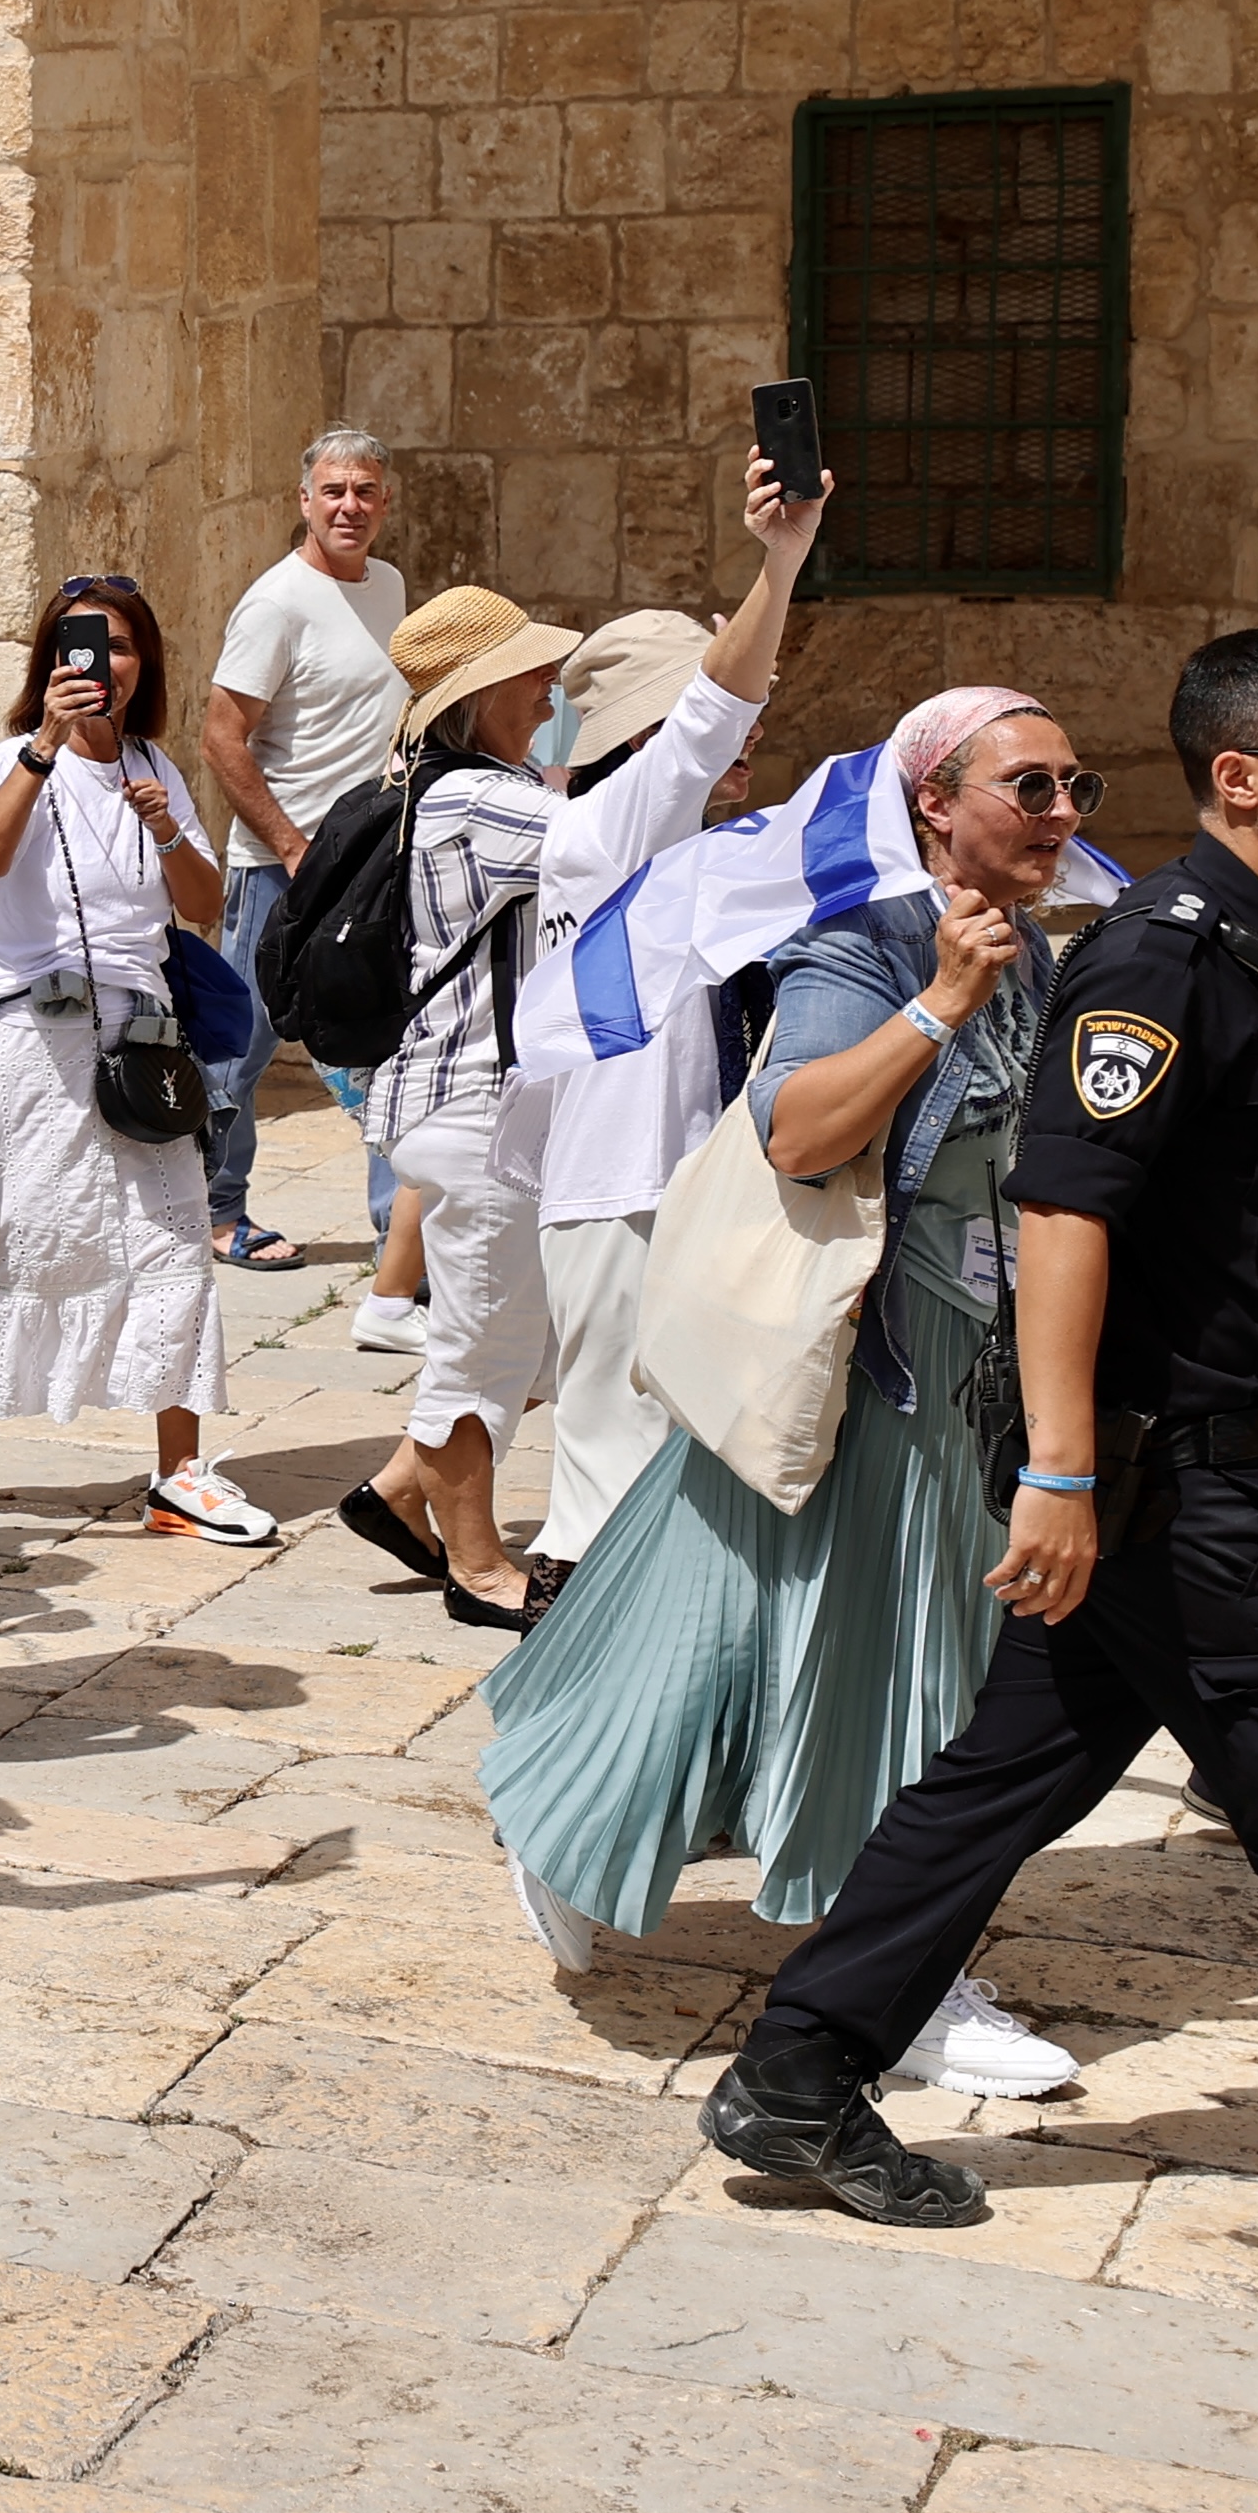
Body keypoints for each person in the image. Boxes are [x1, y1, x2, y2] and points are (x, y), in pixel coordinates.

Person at [701, 633, 1258, 2295]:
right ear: (1240, 776)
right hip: (1179, 1485)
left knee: (1000, 1780)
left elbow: (1225, 1229)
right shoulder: (1162, 958)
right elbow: (1066, 1212)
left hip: (1198, 1451)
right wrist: (1062, 1476)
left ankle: (796, 2075)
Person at [476, 684, 1096, 2103]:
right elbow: (799, 1130)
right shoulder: (866, 943)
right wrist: (943, 1003)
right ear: (935, 802)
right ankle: (902, 1980)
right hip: (866, 1359)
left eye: (1077, 789)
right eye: (1033, 789)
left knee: (737, 1629)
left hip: (964, 1374)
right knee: (902, 1672)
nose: (1063, 816)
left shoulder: (1050, 963)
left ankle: (576, 1820)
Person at [485, 451, 822, 1573]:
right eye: (728, 705)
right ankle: (578, 1706)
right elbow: (712, 722)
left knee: (667, 1478)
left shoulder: (684, 840)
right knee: (612, 1489)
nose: (752, 724)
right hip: (626, 1187)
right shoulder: (609, 830)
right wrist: (781, 563)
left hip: (672, 1184)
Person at [0, 576, 266, 1542]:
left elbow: (200, 904)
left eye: (121, 646)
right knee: (10, 1237)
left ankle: (179, 1472)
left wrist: (167, 826)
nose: (103, 663)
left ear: (145, 665)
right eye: (79, 646)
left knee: (174, 1236)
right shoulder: (12, 759)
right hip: (29, 1037)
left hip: (139, 1039)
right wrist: (44, 748)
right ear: (49, 665)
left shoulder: (155, 765)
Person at [338, 585, 585, 1628]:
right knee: (484, 1342)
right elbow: (618, 844)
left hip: (479, 1103)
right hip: (474, 1105)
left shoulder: (464, 787)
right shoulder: (478, 800)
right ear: (479, 695)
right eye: (532, 675)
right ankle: (478, 1569)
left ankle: (401, 1493)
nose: (550, 690)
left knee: (537, 1334)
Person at [203, 428, 414, 1281]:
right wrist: (292, 847)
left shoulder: (391, 587)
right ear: (304, 503)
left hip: (369, 865)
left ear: (384, 503)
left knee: (383, 1040)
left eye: (364, 492)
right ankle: (215, 1211)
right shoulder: (276, 602)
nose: (349, 507)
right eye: (333, 492)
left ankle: (396, 1236)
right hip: (276, 869)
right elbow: (222, 736)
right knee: (239, 1043)